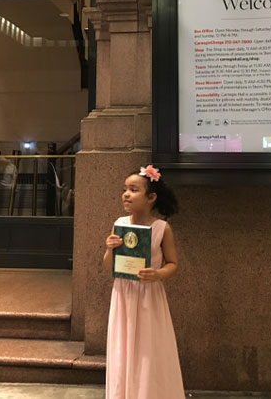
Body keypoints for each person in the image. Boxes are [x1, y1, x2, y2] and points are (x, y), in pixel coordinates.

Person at [103, 164, 186, 399]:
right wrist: (109, 249)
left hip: (150, 296)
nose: (126, 194)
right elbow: (108, 266)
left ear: (151, 197)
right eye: (125, 189)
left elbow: (173, 263)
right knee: (122, 349)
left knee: (149, 349)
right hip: (123, 294)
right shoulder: (120, 224)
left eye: (134, 190)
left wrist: (158, 274)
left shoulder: (162, 228)